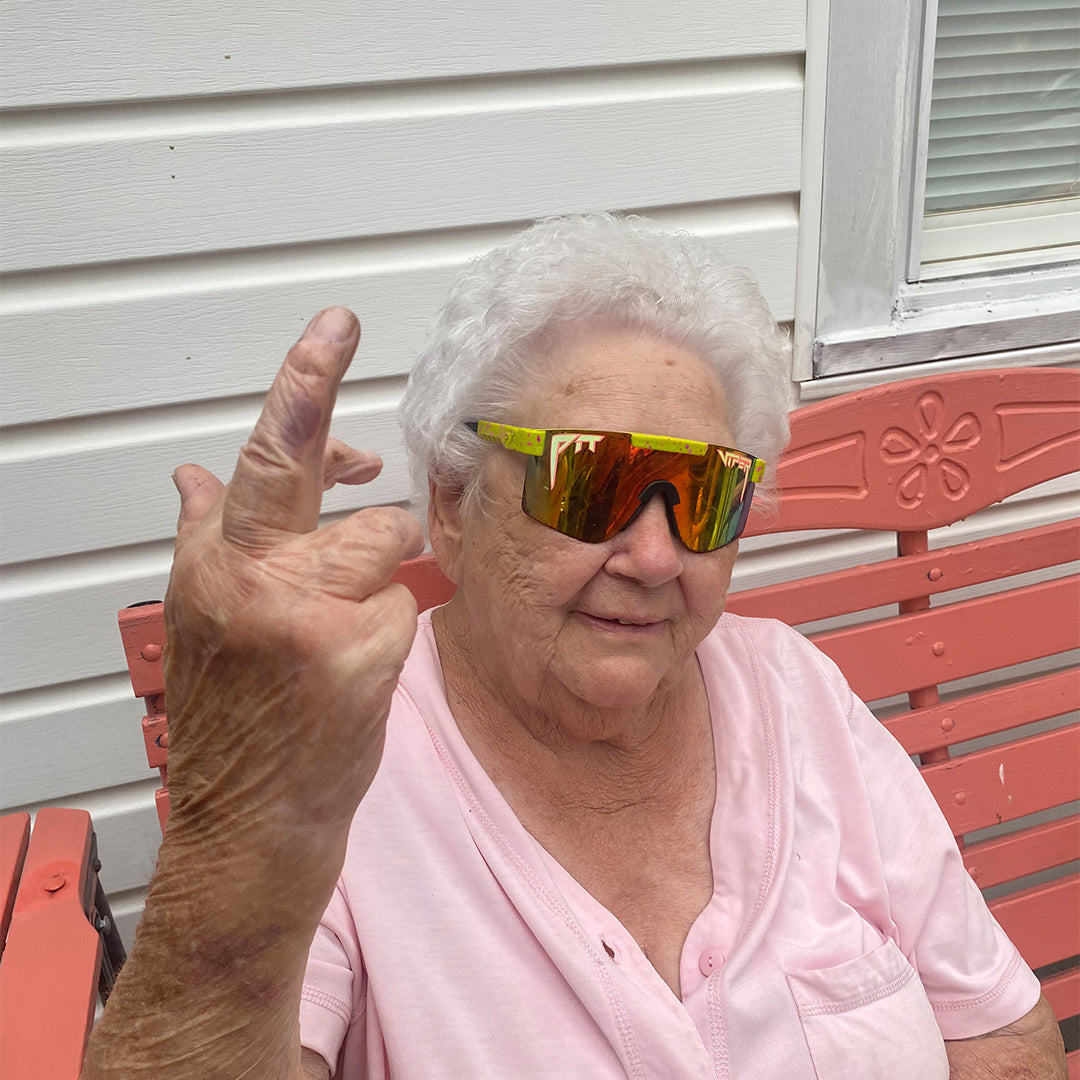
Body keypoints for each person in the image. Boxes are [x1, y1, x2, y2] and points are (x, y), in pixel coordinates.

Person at [81, 214, 1066, 1079]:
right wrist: (235, 823)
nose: (656, 556)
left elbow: (1002, 1035)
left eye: (706, 496)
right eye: (592, 483)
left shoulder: (793, 690)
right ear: (453, 508)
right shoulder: (337, 766)